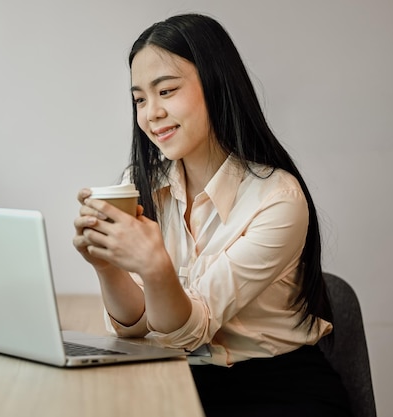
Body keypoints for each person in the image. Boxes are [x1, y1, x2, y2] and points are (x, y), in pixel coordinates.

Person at [72, 13, 351, 417]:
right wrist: (106, 267)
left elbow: (191, 330)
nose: (151, 113)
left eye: (166, 91)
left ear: (217, 85)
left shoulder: (278, 199)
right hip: (180, 377)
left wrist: (155, 269)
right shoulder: (143, 183)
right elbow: (135, 327)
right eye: (139, 99)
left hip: (277, 389)